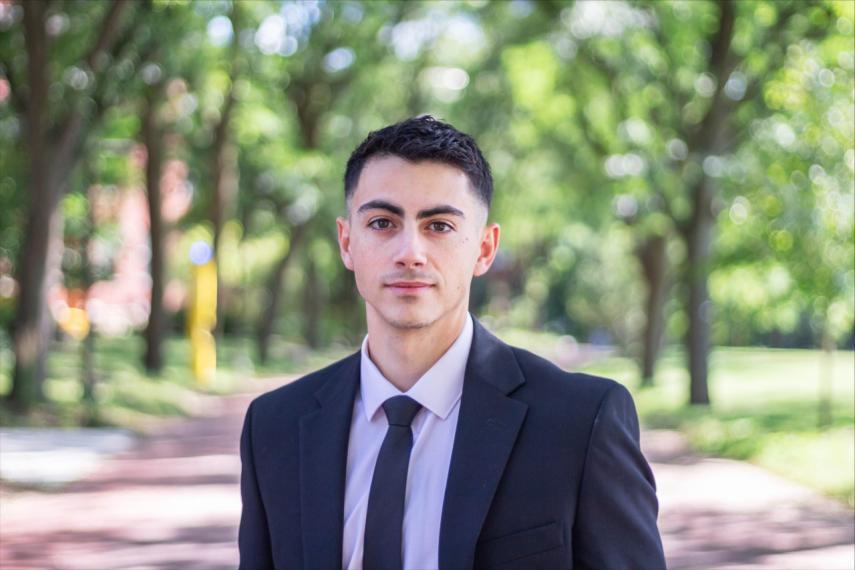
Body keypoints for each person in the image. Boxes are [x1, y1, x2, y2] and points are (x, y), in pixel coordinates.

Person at [238, 116, 666, 570]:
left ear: (484, 249)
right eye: (382, 222)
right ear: (347, 243)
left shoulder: (582, 424)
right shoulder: (274, 428)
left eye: (438, 226)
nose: (410, 252)